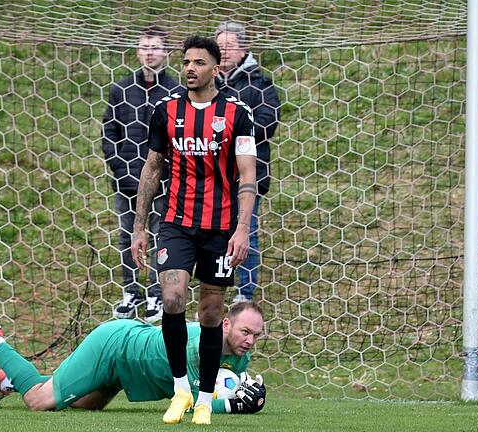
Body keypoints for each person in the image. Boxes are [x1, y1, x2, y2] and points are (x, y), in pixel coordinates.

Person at [130, 35, 258, 425]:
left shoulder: (238, 113)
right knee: (171, 299)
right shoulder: (165, 110)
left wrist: (241, 230)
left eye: (199, 62)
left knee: (211, 312)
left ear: (215, 68)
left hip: (219, 229)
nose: (189, 68)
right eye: (186, 61)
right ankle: (181, 390)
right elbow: (152, 170)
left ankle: (204, 398)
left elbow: (248, 176)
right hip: (175, 223)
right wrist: (139, 227)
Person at [0, 301, 267, 416]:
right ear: (225, 324)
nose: (250, 341)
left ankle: (6, 379)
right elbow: (198, 401)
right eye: (244, 332)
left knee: (82, 405)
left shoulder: (240, 357)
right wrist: (234, 405)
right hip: (115, 347)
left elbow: (226, 384)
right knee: (40, 402)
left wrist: (246, 391)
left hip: (128, 370)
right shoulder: (196, 346)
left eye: (256, 335)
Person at [102, 25, 184, 323]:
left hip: (163, 184)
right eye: (144, 46)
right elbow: (109, 133)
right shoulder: (122, 89)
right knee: (127, 236)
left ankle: (155, 294)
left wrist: (164, 175)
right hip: (126, 183)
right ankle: (131, 291)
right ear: (137, 51)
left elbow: (181, 137)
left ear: (166, 52)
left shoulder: (176, 91)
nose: (149, 52)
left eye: (155, 47)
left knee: (161, 236)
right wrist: (123, 170)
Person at [214, 22, 281, 303]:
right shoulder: (208, 84)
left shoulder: (260, 84)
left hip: (247, 175)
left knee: (246, 232)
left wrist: (229, 132)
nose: (224, 51)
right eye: (219, 47)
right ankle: (218, 283)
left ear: (243, 49)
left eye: (229, 46)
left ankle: (245, 291)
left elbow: (268, 123)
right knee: (217, 232)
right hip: (212, 174)